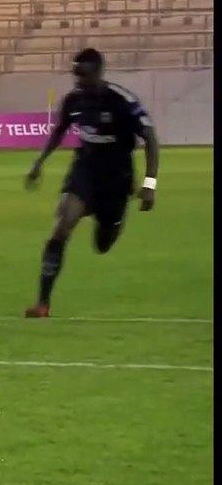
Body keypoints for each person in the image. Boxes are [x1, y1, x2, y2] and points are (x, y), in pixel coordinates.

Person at [23, 47, 159, 319]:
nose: (77, 80)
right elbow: (59, 132)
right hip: (84, 173)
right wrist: (38, 163)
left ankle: (114, 223)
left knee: (103, 244)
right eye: (74, 74)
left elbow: (151, 139)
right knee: (61, 227)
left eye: (82, 74)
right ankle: (42, 303)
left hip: (116, 181)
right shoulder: (74, 101)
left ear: (97, 73)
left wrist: (149, 183)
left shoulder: (122, 101)